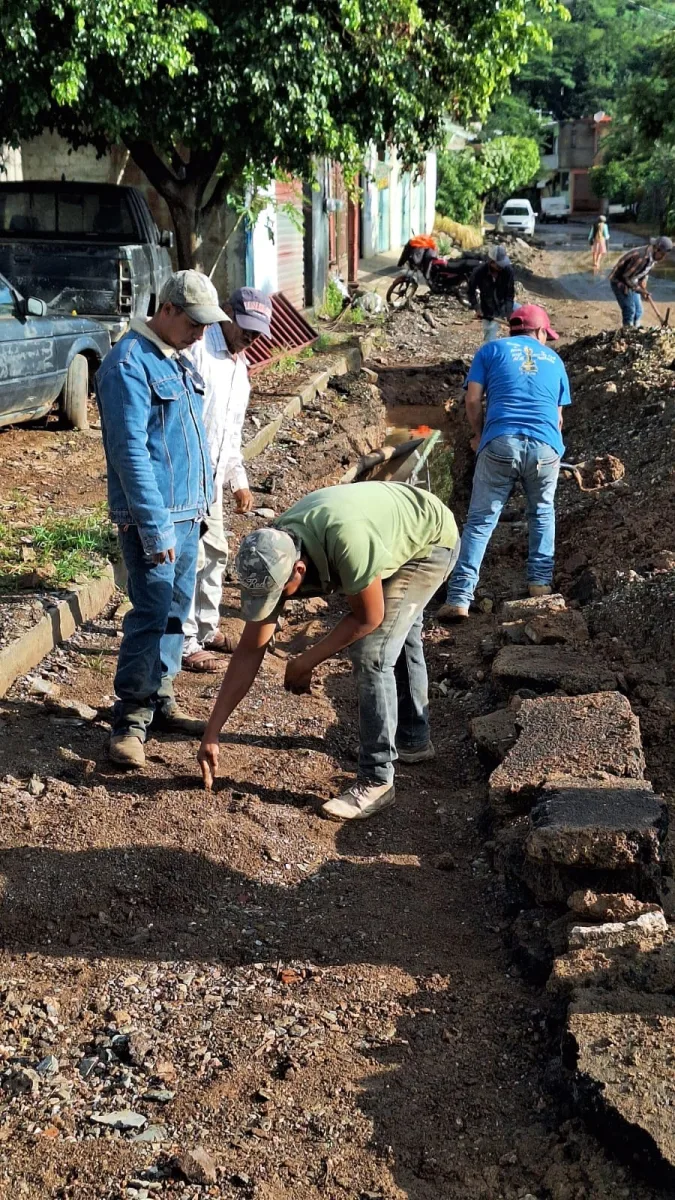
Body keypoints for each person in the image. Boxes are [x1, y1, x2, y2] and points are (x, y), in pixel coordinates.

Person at [197, 482, 459, 821]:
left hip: (431, 542)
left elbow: (368, 617)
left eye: (277, 595)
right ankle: (412, 740)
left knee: (373, 652)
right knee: (401, 632)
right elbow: (250, 649)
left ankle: (377, 779)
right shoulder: (273, 551)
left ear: (299, 570)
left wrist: (306, 661)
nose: (273, 605)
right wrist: (212, 730)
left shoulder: (345, 542)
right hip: (393, 527)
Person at [96, 270, 228, 769]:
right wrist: (154, 528)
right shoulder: (128, 365)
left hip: (188, 513)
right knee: (151, 614)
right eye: (195, 323)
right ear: (168, 309)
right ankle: (130, 720)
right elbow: (131, 454)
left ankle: (160, 699)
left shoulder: (174, 356)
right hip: (155, 518)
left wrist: (201, 510)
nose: (201, 334)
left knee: (176, 611)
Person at [437, 304, 571, 623]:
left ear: (512, 330)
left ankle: (459, 598)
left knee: (481, 521)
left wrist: (480, 436)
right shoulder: (555, 360)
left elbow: (472, 400)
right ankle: (539, 585)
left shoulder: (491, 350)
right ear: (540, 332)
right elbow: (558, 418)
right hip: (546, 447)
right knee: (541, 512)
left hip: (500, 441)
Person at [182, 288, 273, 672]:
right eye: (245, 328)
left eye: (257, 332)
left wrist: (239, 479)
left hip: (215, 479)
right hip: (187, 475)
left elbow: (230, 431)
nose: (250, 337)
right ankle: (185, 642)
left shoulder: (239, 366)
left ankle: (206, 627)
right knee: (192, 558)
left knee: (216, 552)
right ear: (227, 316)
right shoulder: (200, 351)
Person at [609, 236, 673, 328]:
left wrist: (643, 286)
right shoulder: (641, 257)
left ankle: (636, 329)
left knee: (638, 311)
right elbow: (626, 277)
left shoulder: (652, 257)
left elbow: (643, 272)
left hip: (633, 280)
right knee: (630, 310)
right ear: (657, 249)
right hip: (620, 281)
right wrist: (640, 290)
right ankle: (628, 331)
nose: (663, 257)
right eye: (662, 254)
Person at [468, 245, 515, 342]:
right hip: (488, 310)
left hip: (504, 305)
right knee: (489, 340)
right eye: (499, 265)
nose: (502, 267)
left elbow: (509, 295)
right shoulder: (479, 272)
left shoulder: (508, 271)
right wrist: (477, 308)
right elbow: (470, 292)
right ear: (491, 262)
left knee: (523, 318)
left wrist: (509, 313)